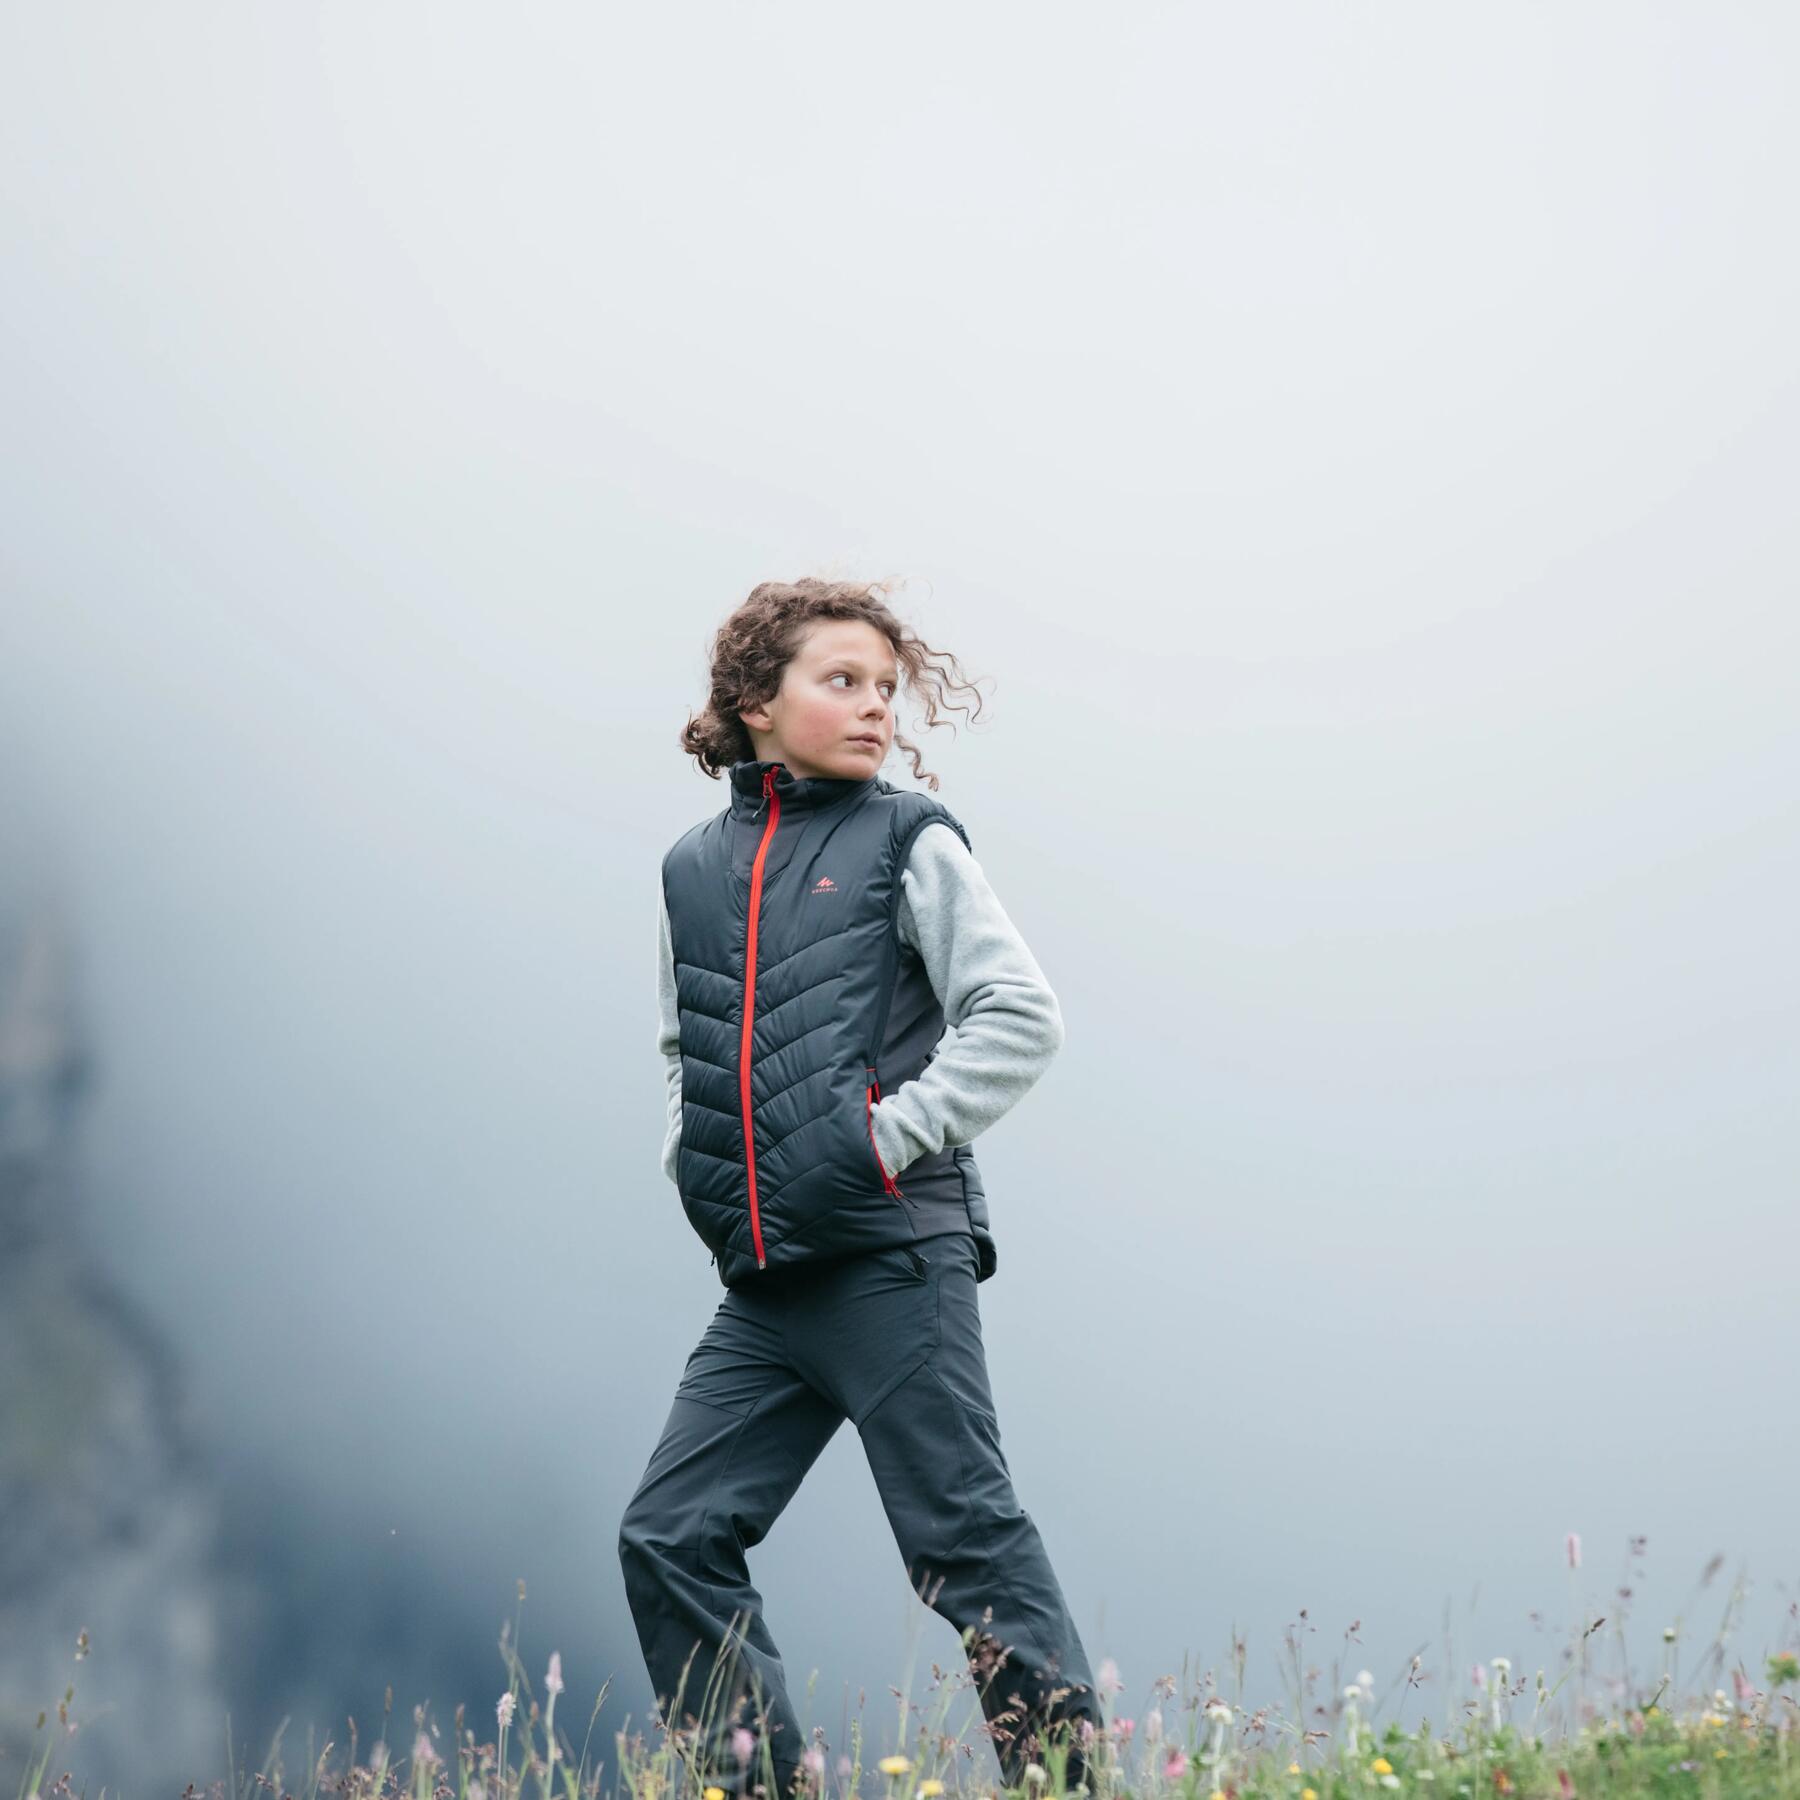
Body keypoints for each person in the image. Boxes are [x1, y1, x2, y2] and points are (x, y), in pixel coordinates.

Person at [618, 577, 1099, 1797]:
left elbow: (1020, 1016)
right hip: (768, 1284)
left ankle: (1073, 1789)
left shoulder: (910, 838)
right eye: (844, 682)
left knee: (963, 1542)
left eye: (889, 688)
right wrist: (697, 1169)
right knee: (670, 1538)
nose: (877, 706)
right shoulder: (689, 868)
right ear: (753, 702)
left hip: (893, 1254)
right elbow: (686, 1050)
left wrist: (888, 1139)